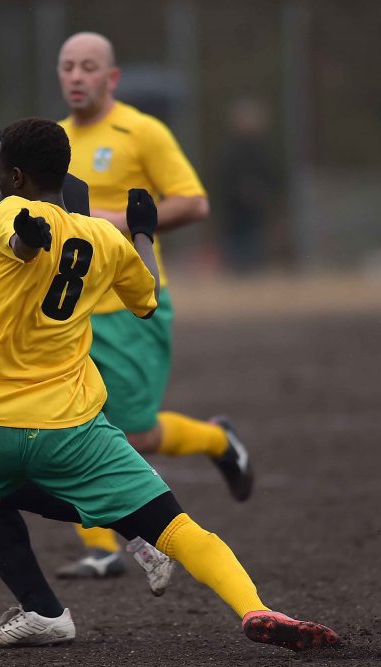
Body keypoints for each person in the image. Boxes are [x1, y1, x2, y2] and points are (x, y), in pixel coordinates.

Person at [0, 118, 339, 655]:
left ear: (14, 176)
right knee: (177, 527)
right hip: (74, 430)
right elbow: (147, 299)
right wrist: (143, 232)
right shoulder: (104, 239)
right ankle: (254, 607)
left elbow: (19, 240)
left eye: (0, 174)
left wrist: (28, 236)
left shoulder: (10, 210)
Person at [54, 32, 252, 579]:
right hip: (72, 308)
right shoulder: (56, 140)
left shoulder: (142, 131)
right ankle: (102, 549)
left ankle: (218, 439)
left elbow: (194, 203)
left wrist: (112, 222)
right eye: (67, 66)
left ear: (111, 77)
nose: (76, 76)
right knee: (63, 424)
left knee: (134, 435)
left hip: (129, 305)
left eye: (88, 66)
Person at [215, 98, 277, 275]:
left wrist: (261, 193)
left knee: (255, 251)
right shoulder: (230, 152)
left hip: (256, 213)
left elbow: (271, 178)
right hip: (234, 213)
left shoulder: (262, 152)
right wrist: (240, 192)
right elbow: (223, 181)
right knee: (236, 254)